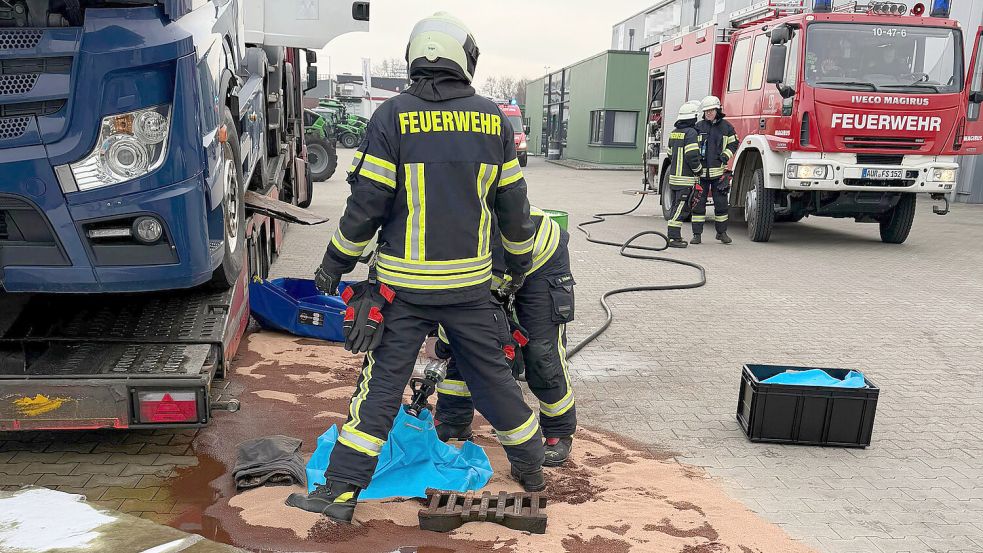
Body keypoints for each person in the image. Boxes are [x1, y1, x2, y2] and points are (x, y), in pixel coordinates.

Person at [286, 12, 546, 523]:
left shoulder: (391, 117)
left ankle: (338, 496)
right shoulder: (493, 119)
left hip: (402, 291)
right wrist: (511, 272)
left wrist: (333, 265)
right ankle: (533, 471)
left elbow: (366, 207)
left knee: (380, 390)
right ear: (462, 58)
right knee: (494, 382)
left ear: (416, 57)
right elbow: (515, 211)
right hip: (471, 289)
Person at [434, 207, 577, 466]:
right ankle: (453, 419)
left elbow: (469, 304)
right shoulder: (430, 237)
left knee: (540, 352)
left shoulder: (470, 229)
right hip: (495, 268)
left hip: (540, 258)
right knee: (461, 339)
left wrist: (444, 337)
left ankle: (559, 430)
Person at [693, 96, 737, 245]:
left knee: (721, 204)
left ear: (717, 110)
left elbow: (733, 144)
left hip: (718, 173)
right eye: (706, 111)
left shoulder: (727, 127)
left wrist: (725, 156)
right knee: (698, 205)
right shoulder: (698, 127)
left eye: (711, 110)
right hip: (701, 173)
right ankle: (697, 235)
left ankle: (722, 233)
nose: (708, 113)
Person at [665, 101, 704, 249]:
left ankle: (673, 235)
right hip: (685, 179)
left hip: (674, 178)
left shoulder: (674, 132)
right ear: (693, 117)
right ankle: (673, 237)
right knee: (681, 208)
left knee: (676, 206)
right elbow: (692, 156)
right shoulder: (691, 133)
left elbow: (670, 154)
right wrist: (699, 170)